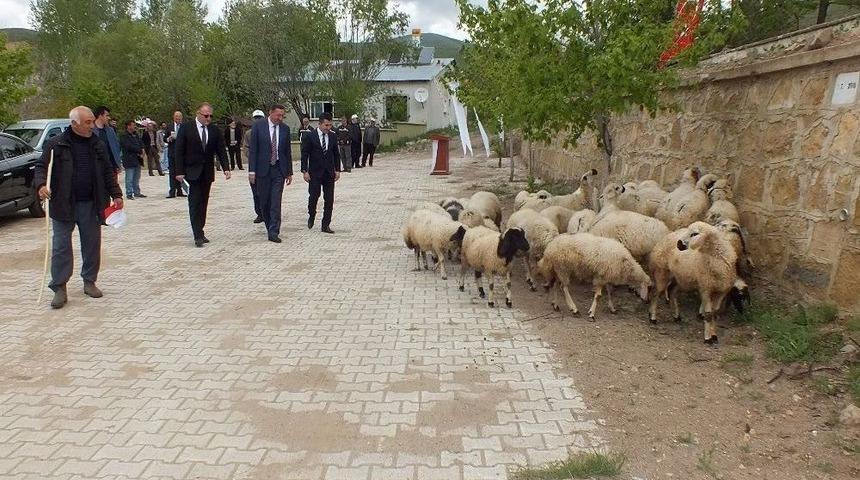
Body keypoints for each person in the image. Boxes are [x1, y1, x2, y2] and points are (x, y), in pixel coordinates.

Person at [34, 106, 124, 309]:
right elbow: (41, 167)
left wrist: (116, 194)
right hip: (63, 204)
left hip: (91, 204)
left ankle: (89, 281)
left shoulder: (97, 144)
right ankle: (59, 287)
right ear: (74, 124)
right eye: (87, 122)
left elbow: (107, 171)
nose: (92, 126)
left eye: (92, 121)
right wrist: (40, 185)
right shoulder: (56, 144)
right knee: (61, 247)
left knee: (91, 244)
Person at [174, 102, 231, 247]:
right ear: (198, 114)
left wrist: (226, 167)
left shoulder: (214, 130)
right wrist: (179, 171)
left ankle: (200, 229)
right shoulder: (187, 128)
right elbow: (179, 151)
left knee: (203, 203)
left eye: (211, 116)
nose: (209, 118)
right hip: (191, 172)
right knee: (194, 203)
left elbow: (221, 149)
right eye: (206, 116)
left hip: (207, 173)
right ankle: (197, 234)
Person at [249, 105, 293, 243]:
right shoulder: (258, 126)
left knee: (276, 201)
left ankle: (274, 231)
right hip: (262, 170)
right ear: (270, 113)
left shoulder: (285, 129)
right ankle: (269, 226)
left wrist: (289, 172)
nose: (280, 118)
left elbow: (287, 151)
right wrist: (252, 171)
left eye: (282, 116)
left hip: (279, 169)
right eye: (278, 115)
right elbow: (253, 150)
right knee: (264, 201)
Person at [301, 112, 340, 234]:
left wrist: (337, 170)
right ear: (319, 124)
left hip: (329, 173)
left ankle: (325, 224)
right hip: (315, 173)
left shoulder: (333, 136)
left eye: (330, 125)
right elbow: (304, 154)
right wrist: (305, 171)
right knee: (314, 196)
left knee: (329, 199)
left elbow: (336, 154)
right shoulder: (310, 136)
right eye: (326, 125)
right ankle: (312, 214)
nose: (328, 128)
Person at [243, 109, 265, 223]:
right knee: (256, 192)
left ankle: (267, 212)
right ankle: (259, 213)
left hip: (266, 166)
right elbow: (245, 148)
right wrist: (252, 156)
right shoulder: (248, 134)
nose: (257, 120)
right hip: (254, 167)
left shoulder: (267, 132)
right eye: (255, 118)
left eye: (259, 118)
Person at [120, 120, 145, 199]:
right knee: (129, 178)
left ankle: (137, 192)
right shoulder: (124, 136)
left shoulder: (136, 135)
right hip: (129, 159)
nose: (134, 127)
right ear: (128, 126)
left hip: (137, 159)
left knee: (136, 178)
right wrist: (139, 150)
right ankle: (129, 193)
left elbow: (141, 143)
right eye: (133, 125)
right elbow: (128, 146)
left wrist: (142, 149)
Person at [93, 106, 122, 174]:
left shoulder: (110, 131)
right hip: (96, 168)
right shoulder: (91, 131)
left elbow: (116, 147)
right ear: (100, 116)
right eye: (107, 115)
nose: (109, 118)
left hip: (111, 167)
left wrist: (117, 163)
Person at [164, 111, 186, 198]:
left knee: (180, 172)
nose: (178, 118)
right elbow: (164, 138)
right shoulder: (169, 126)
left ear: (182, 118)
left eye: (179, 117)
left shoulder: (184, 126)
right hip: (172, 153)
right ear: (173, 117)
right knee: (172, 173)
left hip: (182, 154)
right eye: (176, 117)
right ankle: (172, 191)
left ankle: (180, 190)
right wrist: (169, 139)